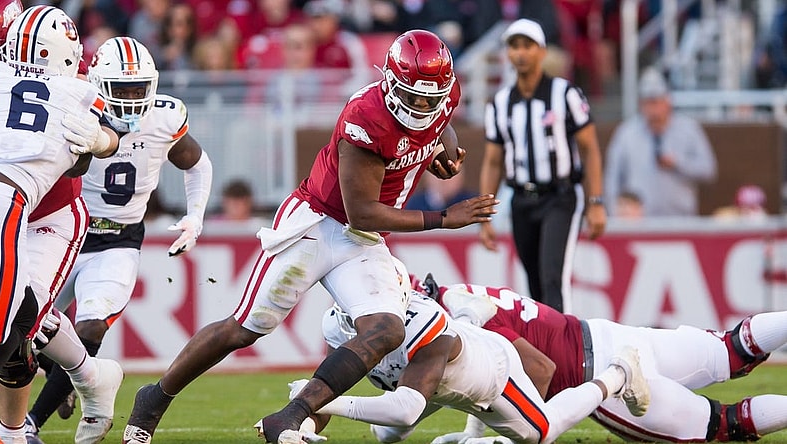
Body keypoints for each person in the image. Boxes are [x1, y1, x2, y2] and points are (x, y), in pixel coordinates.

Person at [122, 29, 498, 444]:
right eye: (414, 97)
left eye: (432, 98)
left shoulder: (442, 94)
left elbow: (439, 120)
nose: (423, 106)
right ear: (391, 83)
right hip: (318, 223)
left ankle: (292, 414)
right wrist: (444, 217)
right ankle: (153, 399)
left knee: (387, 330)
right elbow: (363, 212)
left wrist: (443, 151)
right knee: (246, 328)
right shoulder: (365, 116)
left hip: (362, 242)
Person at [25, 35, 213, 443]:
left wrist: (195, 217)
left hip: (118, 241)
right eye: (120, 88)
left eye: (137, 88)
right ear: (94, 81)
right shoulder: (71, 105)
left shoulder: (165, 117)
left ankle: (31, 424)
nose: (130, 99)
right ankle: (61, 376)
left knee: (90, 328)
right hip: (59, 231)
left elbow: (197, 163)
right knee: (25, 330)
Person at [280, 264, 650, 444]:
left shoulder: (421, 321)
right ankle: (469, 314)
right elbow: (326, 385)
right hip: (434, 383)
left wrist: (323, 406)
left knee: (540, 434)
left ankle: (618, 373)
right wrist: (302, 426)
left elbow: (406, 407)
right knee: (385, 436)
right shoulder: (337, 325)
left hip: (490, 374)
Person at [420, 276, 787, 443]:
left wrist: (510, 430)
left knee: (725, 424)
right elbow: (489, 371)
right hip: (612, 335)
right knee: (732, 347)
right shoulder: (463, 295)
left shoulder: (457, 322)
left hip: (607, 379)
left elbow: (538, 371)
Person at [0, 3, 120, 443]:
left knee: (19, 320)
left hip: (48, 212)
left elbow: (99, 144)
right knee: (28, 313)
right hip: (12, 207)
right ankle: (91, 377)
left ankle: (13, 432)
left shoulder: (73, 87)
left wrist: (100, 140)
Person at [479, 18, 606, 314]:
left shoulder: (565, 94)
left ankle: (565, 353)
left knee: (553, 279)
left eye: (527, 46)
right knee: (533, 284)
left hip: (558, 196)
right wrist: (485, 216)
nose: (520, 53)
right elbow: (493, 160)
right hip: (521, 199)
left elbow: (590, 149)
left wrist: (596, 201)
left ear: (542, 51)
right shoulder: (499, 103)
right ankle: (545, 350)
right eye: (514, 46)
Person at [604, 66, 717, 217]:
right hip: (639, 221)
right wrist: (614, 213)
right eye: (648, 103)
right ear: (641, 105)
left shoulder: (689, 129)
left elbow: (708, 170)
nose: (654, 110)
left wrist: (678, 164)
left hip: (680, 219)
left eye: (657, 102)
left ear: (668, 102)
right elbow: (612, 178)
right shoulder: (626, 133)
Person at [406, 170, 476, 212]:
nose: (444, 180)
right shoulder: (412, 206)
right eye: (437, 173)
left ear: (461, 178)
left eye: (450, 173)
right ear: (426, 177)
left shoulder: (473, 205)